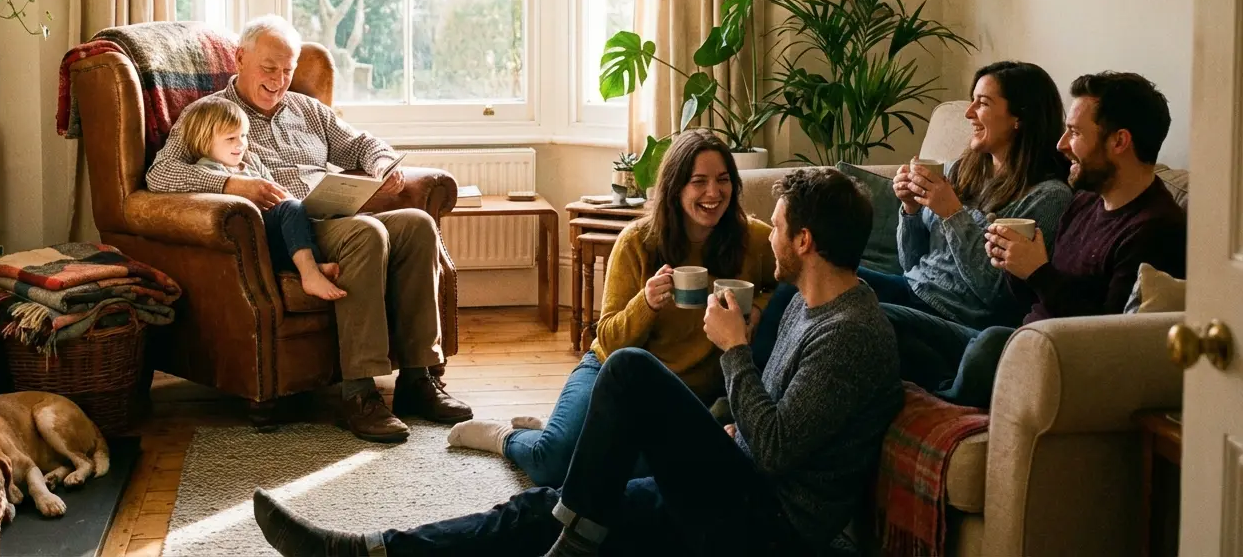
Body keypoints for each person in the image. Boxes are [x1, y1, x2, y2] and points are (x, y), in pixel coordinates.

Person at [251, 168, 904, 556]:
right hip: (738, 480)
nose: (768, 230)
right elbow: (776, 426)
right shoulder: (802, 301)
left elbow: (783, 450)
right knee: (554, 510)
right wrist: (728, 420)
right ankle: (372, 550)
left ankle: (575, 536)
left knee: (629, 379)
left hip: (770, 529)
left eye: (780, 223)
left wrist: (735, 351)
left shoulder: (848, 333)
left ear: (805, 240)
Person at [146, 15, 471, 443]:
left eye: (287, 70)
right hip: (281, 232)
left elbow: (358, 142)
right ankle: (359, 393)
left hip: (333, 216)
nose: (279, 80)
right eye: (268, 68)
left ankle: (417, 379)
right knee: (367, 234)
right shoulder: (210, 115)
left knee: (417, 224)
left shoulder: (306, 109)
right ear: (240, 59)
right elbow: (161, 174)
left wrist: (380, 163)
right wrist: (231, 183)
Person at [445, 130, 777, 487]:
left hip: (688, 391)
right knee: (552, 467)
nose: (714, 193)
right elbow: (609, 338)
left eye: (723, 180)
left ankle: (560, 431)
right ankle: (505, 437)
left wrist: (758, 305)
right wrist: (646, 303)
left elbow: (788, 278)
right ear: (675, 187)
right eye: (699, 182)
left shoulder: (753, 239)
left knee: (631, 473)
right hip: (609, 370)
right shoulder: (638, 242)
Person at [756, 61, 1073, 391]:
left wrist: (952, 213)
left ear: (1019, 117)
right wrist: (908, 210)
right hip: (911, 288)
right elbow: (912, 263)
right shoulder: (962, 170)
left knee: (856, 319)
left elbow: (993, 293)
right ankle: (750, 395)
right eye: (972, 100)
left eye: (983, 102)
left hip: (958, 317)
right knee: (802, 280)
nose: (969, 113)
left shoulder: (1048, 197)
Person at [937, 71, 1187, 407]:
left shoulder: (1155, 229)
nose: (1061, 145)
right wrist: (1014, 264)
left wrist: (1038, 271)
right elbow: (1036, 298)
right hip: (1022, 337)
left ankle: (946, 402)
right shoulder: (1084, 200)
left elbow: (1110, 336)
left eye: (1075, 133)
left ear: (1119, 141)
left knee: (990, 345)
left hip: (1057, 361)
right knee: (892, 321)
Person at [168, 96, 346, 301]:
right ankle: (310, 272)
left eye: (243, 136)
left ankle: (310, 266)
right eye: (230, 139)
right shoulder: (208, 170)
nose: (240, 144)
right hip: (252, 233)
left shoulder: (251, 163)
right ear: (205, 141)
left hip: (272, 230)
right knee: (291, 209)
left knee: (297, 210)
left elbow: (275, 190)